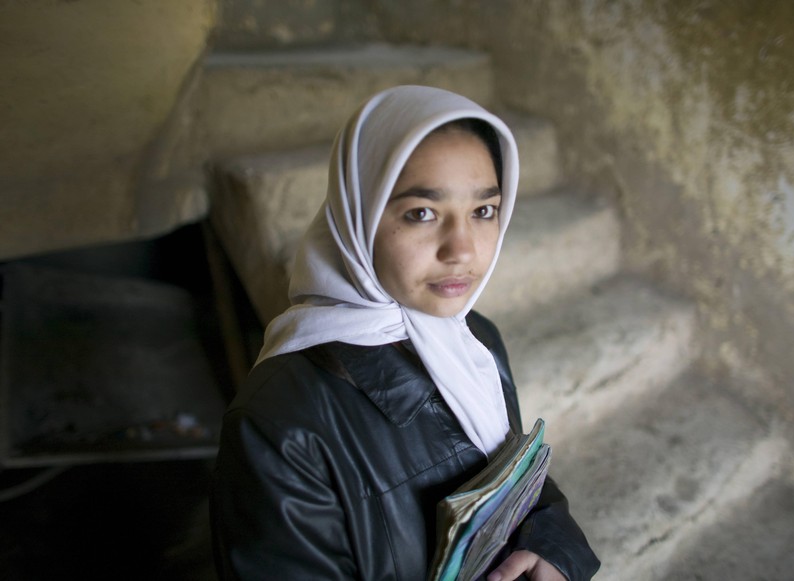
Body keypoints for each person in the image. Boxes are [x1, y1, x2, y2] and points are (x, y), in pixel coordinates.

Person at [210, 85, 600, 580]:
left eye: (483, 210)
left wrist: (552, 551)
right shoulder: (279, 423)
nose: (461, 249)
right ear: (360, 215)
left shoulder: (474, 337)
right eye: (422, 213)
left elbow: (515, 484)